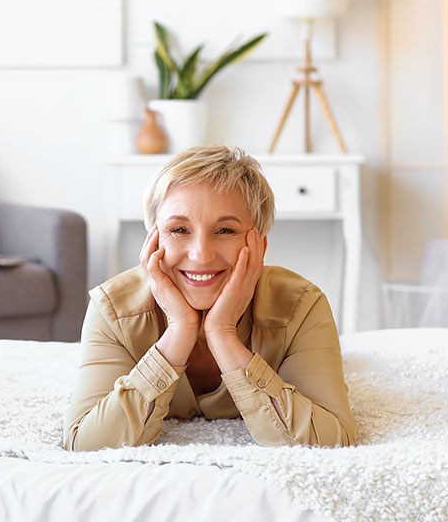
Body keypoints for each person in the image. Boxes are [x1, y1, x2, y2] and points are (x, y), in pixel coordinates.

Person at [64, 146, 356, 451]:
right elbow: (85, 443)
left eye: (225, 230)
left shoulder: (301, 306)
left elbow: (333, 439)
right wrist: (179, 330)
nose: (201, 255)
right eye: (179, 229)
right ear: (153, 240)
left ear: (259, 244)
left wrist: (222, 332)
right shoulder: (113, 310)